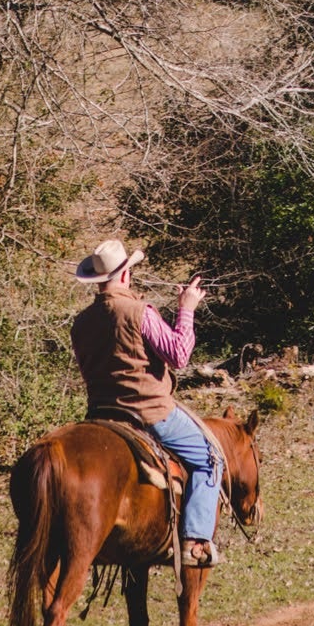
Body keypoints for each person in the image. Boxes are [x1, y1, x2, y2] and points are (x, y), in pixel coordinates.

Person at [69, 238, 222, 568]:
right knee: (210, 458)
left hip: (100, 414)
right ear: (125, 275)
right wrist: (187, 309)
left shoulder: (81, 323)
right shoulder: (139, 312)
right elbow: (179, 355)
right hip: (149, 412)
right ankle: (195, 541)